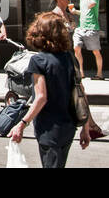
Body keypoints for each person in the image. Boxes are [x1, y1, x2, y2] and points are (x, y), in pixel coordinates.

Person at [9, 12, 92, 168]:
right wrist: (85, 128)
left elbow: (41, 97)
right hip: (68, 126)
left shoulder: (38, 61)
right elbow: (81, 91)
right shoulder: (69, 58)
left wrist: (21, 124)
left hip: (48, 128)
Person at [73, 0, 104, 79]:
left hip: (91, 28)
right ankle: (81, 72)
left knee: (95, 51)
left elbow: (90, 5)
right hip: (80, 27)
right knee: (76, 47)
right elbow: (84, 11)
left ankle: (99, 74)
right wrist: (74, 11)